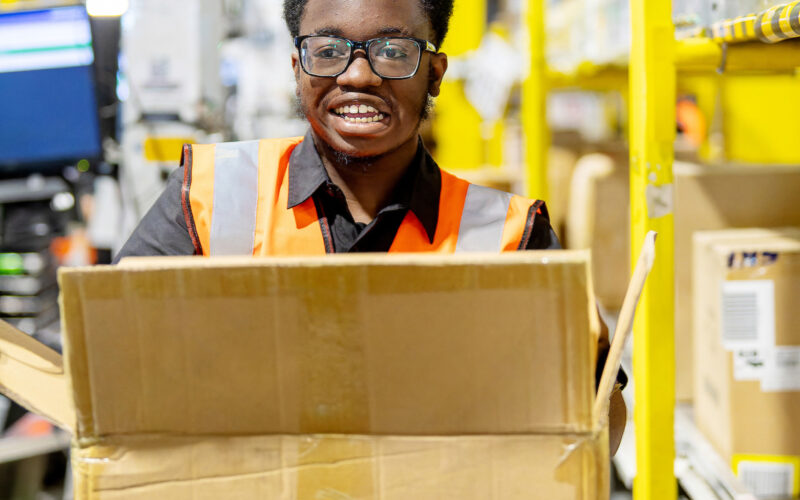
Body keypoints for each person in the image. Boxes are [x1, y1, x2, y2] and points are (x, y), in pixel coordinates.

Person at [115, 0, 626, 453]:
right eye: (329, 49)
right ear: (298, 67)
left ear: (435, 73)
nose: (359, 76)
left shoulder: (511, 237)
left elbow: (599, 413)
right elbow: (115, 363)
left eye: (395, 50)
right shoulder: (207, 194)